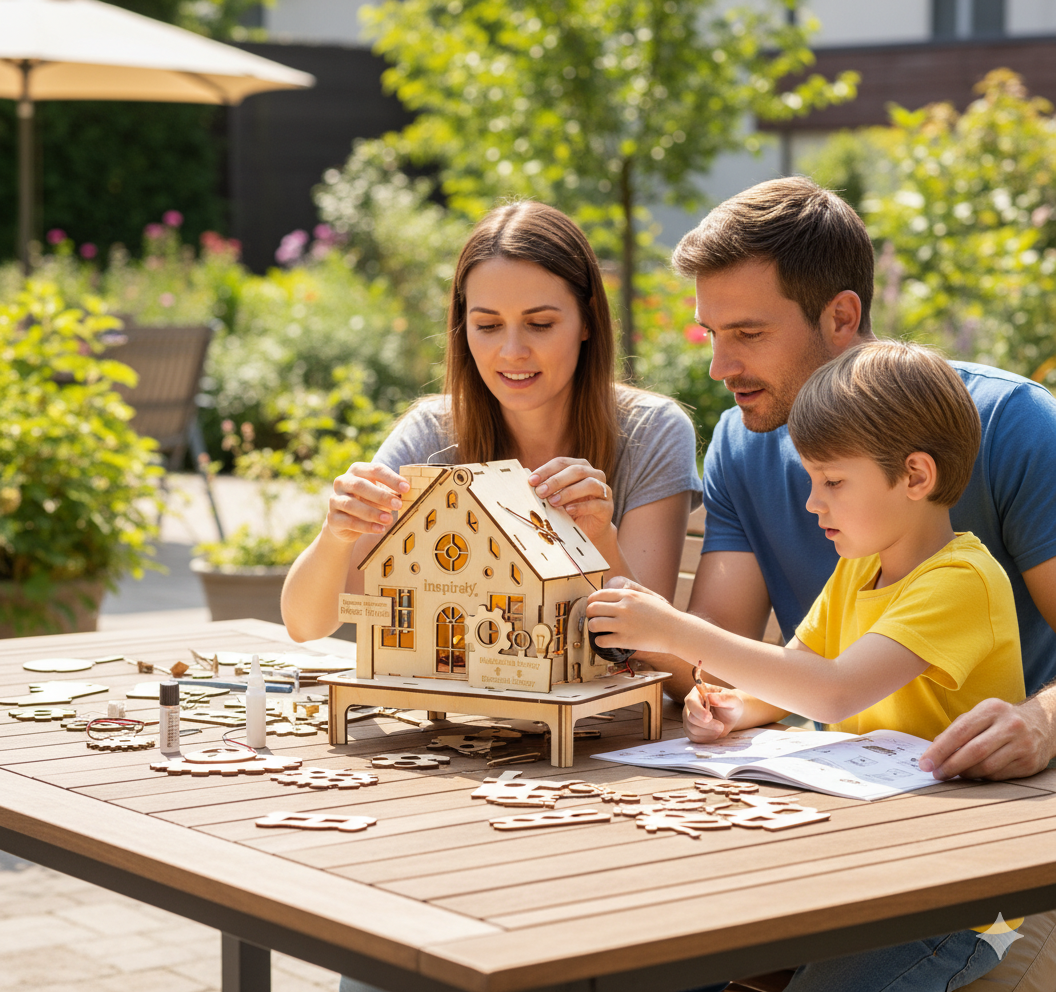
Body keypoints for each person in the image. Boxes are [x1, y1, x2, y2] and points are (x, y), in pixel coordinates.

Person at [623, 176, 1056, 991]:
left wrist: (1044, 720)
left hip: (1001, 851)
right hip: (846, 832)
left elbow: (813, 682)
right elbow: (730, 662)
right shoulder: (746, 447)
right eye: (710, 333)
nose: (718, 366)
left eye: (746, 332)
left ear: (843, 317)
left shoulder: (1011, 426)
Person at [587, 339, 1025, 991]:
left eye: (832, 482)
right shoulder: (858, 569)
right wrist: (739, 707)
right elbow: (800, 671)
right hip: (860, 863)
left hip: (956, 898)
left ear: (915, 476)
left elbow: (832, 693)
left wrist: (675, 629)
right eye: (810, 480)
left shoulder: (962, 581)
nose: (813, 503)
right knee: (666, 945)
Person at [281, 198, 702, 645]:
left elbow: (654, 649)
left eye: (539, 324)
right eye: (487, 326)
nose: (512, 352)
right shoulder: (432, 433)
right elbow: (306, 626)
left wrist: (601, 538)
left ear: (587, 321)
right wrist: (336, 534)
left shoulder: (651, 432)